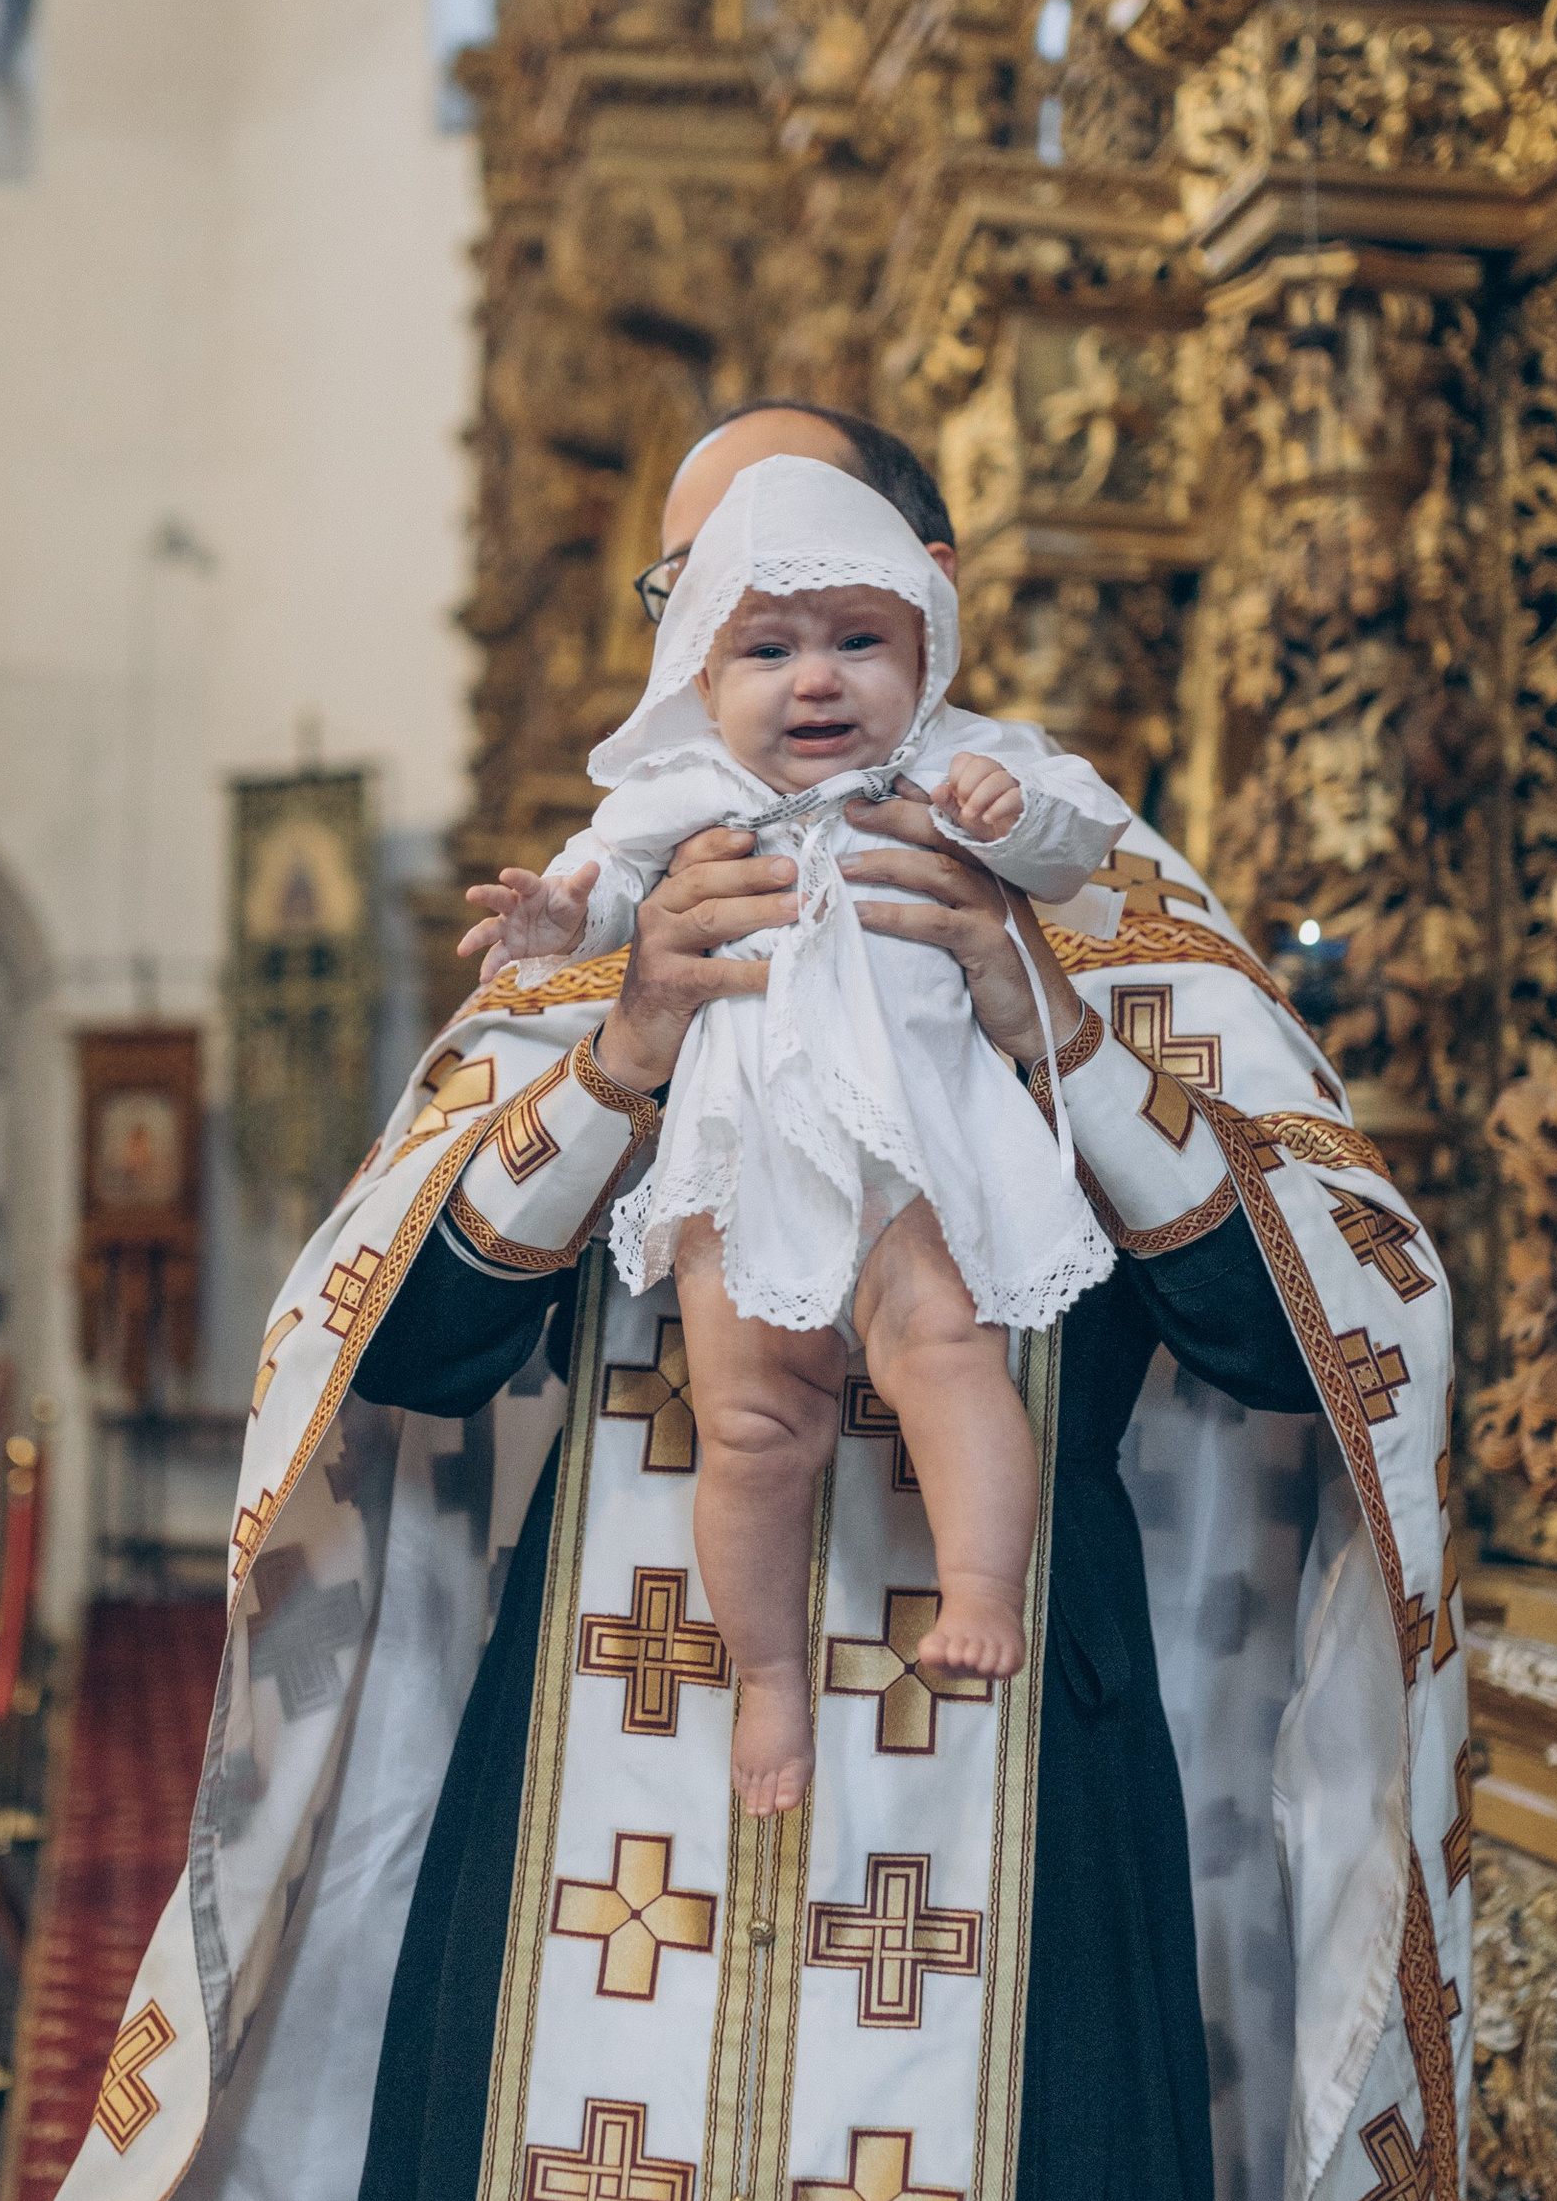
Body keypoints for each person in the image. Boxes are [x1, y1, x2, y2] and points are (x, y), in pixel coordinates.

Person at [0, 399, 1471, 2201]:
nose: (758, 631)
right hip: (590, 1835)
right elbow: (383, 1360)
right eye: (702, 586)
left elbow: (1326, 1350)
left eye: (810, 582)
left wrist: (1056, 1032)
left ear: (925, 591)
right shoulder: (626, 906)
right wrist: (621, 1054)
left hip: (1003, 1807)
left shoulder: (1089, 906)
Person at [462, 449, 1129, 1810]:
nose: (816, 677)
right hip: (747, 1157)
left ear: (930, 621)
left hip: (915, 1147)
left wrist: (1017, 829)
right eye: (766, 643)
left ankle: (982, 1587)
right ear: (700, 674)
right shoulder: (689, 790)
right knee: (754, 1423)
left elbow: (1080, 842)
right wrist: (568, 935)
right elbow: (599, 880)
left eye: (857, 639)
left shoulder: (959, 770)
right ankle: (768, 1678)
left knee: (946, 1347)